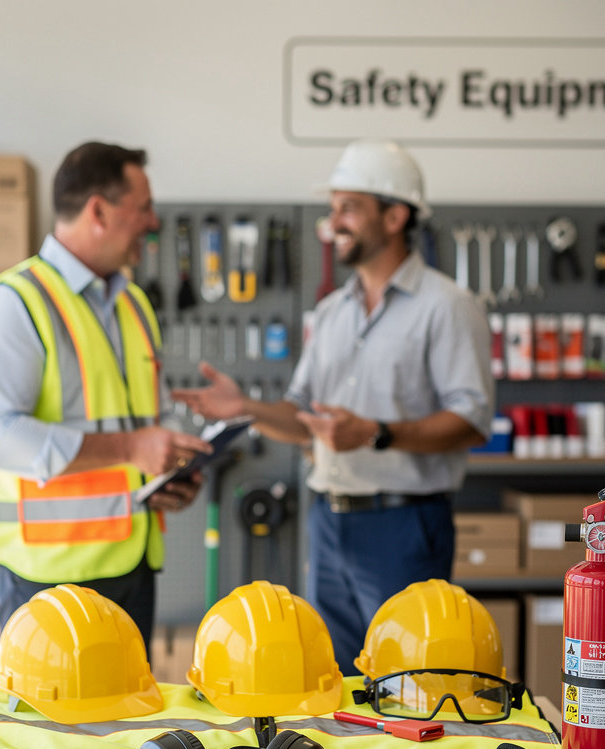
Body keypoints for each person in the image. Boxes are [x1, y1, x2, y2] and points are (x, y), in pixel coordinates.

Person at [173, 139, 493, 675]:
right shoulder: (330, 313)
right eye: (333, 207)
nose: (334, 221)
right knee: (337, 683)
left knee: (409, 683)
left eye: (349, 208)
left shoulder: (448, 307)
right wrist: (246, 407)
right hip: (328, 523)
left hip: (403, 523)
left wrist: (376, 433)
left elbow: (471, 421)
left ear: (394, 216)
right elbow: (304, 421)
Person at [0, 141, 212, 645]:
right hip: (44, 579)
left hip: (130, 565)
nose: (152, 222)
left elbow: (149, 420)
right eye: (142, 209)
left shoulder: (133, 304)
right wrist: (132, 449)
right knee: (54, 727)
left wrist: (171, 469)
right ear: (98, 211)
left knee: (127, 723)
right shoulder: (14, 305)